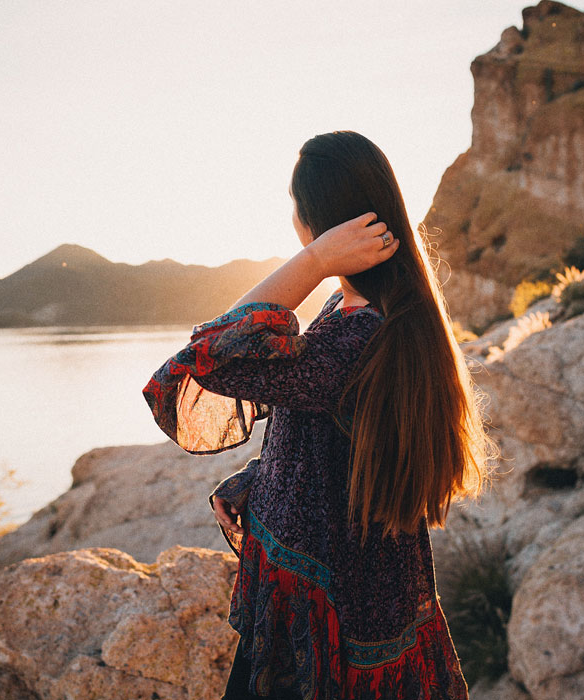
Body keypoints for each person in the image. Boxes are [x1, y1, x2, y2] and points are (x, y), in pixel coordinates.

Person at [142, 130, 497, 700]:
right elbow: (337, 439)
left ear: (316, 222)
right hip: (366, 599)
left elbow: (199, 361)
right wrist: (258, 481)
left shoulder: (351, 339)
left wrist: (312, 260)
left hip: (327, 617)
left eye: (295, 213)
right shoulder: (379, 314)